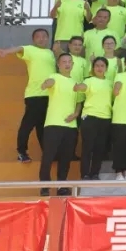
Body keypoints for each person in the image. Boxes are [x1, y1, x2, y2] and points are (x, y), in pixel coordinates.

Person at [0, 28, 57, 163]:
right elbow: (19, 48)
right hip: (35, 95)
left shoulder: (50, 53)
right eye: (38, 37)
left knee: (43, 126)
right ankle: (21, 152)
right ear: (33, 39)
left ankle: (47, 153)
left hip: (50, 95)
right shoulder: (30, 50)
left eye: (44, 36)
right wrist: (7, 51)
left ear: (48, 39)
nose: (41, 39)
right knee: (28, 124)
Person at [38, 53, 82, 196]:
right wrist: (46, 84)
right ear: (58, 64)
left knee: (66, 157)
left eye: (69, 62)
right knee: (48, 156)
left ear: (73, 64)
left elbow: (79, 102)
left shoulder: (75, 83)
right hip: (53, 124)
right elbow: (49, 82)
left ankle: (61, 185)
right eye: (64, 62)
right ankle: (45, 186)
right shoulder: (54, 77)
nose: (67, 64)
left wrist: (76, 114)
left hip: (71, 126)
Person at [76, 57, 112, 180]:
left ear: (106, 68)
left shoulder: (110, 83)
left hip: (105, 118)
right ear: (93, 68)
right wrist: (78, 86)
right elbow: (83, 87)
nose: (99, 68)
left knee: (99, 148)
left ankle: (95, 173)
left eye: (102, 66)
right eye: (97, 66)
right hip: (90, 117)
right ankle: (85, 174)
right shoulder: (89, 80)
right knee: (87, 147)